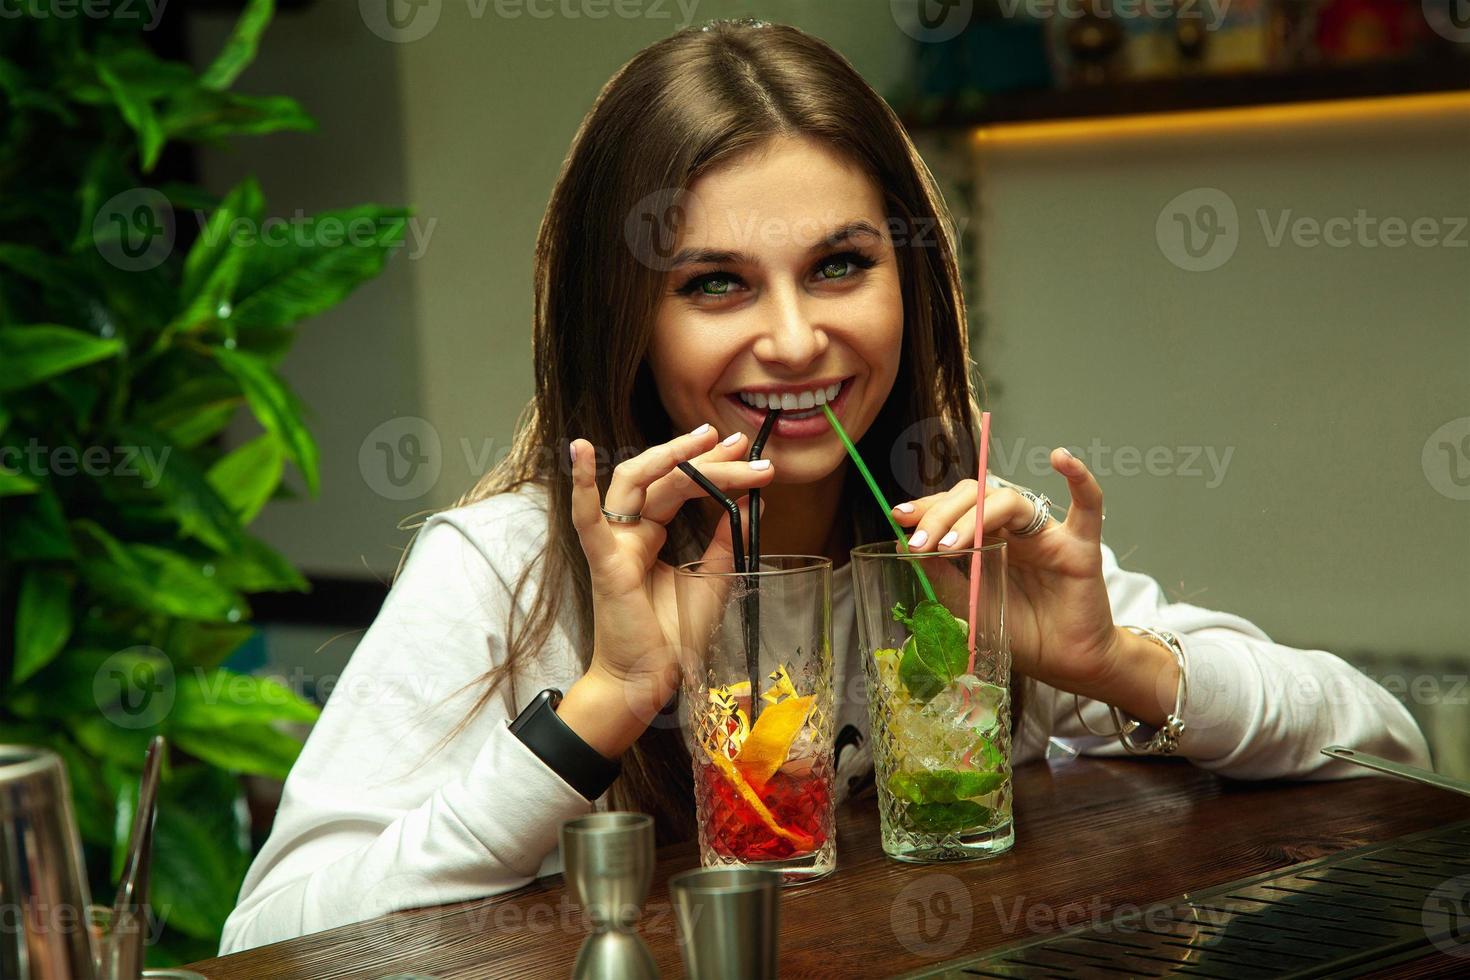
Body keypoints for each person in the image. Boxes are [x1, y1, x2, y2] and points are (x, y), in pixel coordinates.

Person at [218, 19, 1428, 955]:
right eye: (717, 284)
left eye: (841, 265)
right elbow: (269, 939)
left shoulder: (947, 542)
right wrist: (609, 697)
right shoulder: (510, 568)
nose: (795, 340)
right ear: (624, 317)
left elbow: (1382, 737)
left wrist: (1111, 662)